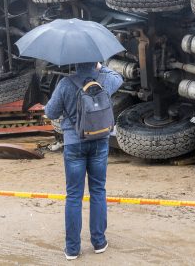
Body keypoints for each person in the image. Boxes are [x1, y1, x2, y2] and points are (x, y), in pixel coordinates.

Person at [45, 62, 123, 260]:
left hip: (74, 143)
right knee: (98, 190)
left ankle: (72, 249)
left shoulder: (65, 84)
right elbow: (119, 78)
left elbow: (51, 113)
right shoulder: (105, 79)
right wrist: (102, 66)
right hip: (100, 142)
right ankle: (99, 242)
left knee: (73, 196)